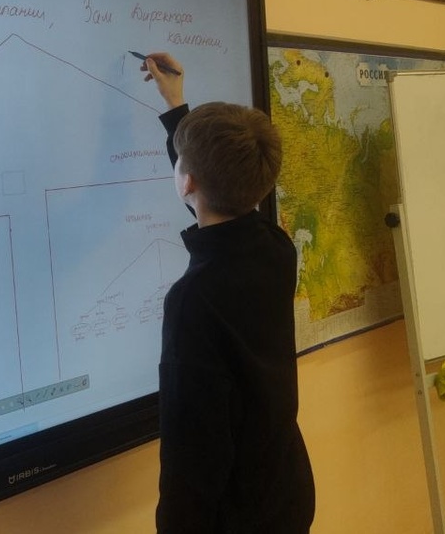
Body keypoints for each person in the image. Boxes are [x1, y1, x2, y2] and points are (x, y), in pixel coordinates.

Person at [140, 52, 315, 533]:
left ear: (186, 182)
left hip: (235, 519)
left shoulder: (194, 299)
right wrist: (175, 105)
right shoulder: (275, 247)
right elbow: (214, 199)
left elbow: (190, 454)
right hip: (286, 493)